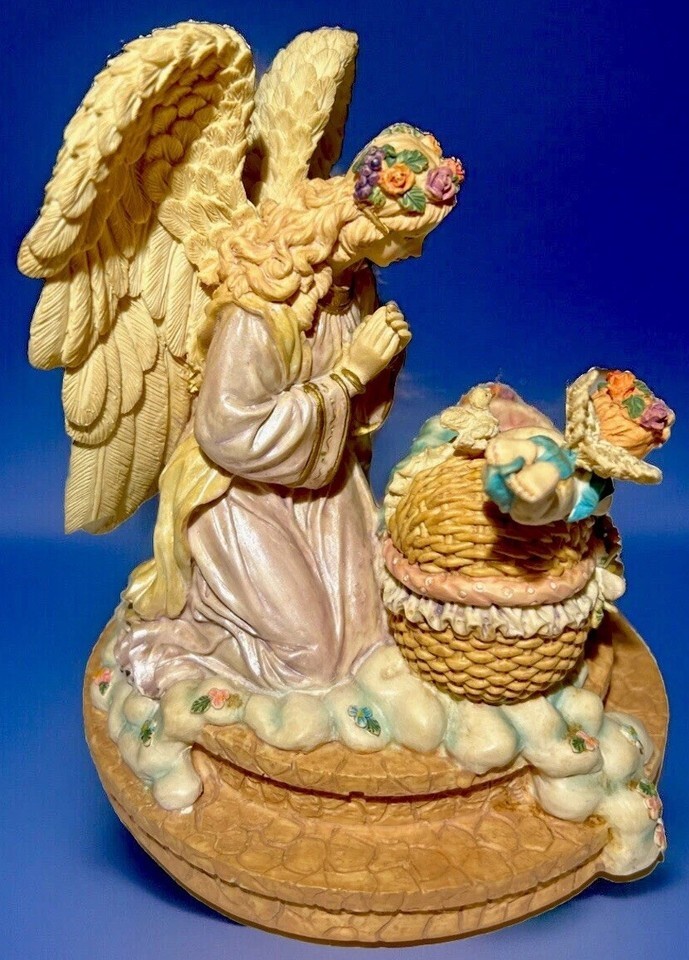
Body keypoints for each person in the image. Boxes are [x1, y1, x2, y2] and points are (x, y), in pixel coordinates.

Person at [114, 125, 464, 696]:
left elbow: (354, 416)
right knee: (312, 660)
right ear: (370, 225)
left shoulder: (353, 287)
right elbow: (227, 431)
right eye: (411, 237)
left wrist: (379, 367)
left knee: (374, 636)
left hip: (320, 490)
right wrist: (351, 375)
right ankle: (191, 641)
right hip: (238, 494)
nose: (417, 251)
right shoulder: (262, 305)